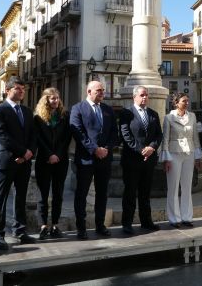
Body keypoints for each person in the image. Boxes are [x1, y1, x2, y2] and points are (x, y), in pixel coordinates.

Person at [0, 76, 37, 250]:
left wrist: (28, 154)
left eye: (23, 89)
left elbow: (33, 135)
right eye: (17, 88)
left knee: (21, 198)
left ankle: (20, 230)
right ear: (8, 90)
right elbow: (1, 136)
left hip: (23, 162)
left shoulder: (26, 111)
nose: (21, 91)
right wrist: (22, 152)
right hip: (5, 162)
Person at [70, 81, 118, 240]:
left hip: (104, 159)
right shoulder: (78, 108)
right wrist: (94, 149)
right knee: (81, 194)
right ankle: (81, 228)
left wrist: (106, 149)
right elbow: (78, 132)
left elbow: (113, 133)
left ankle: (100, 225)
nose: (102, 93)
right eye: (99, 90)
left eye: (103, 90)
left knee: (102, 193)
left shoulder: (108, 109)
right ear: (89, 91)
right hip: (86, 159)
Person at [119, 85, 163, 235]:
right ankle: (127, 223)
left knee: (145, 193)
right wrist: (141, 150)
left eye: (146, 95)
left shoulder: (153, 114)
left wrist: (152, 147)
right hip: (132, 160)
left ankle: (146, 221)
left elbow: (159, 135)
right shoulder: (126, 113)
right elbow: (126, 135)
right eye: (142, 95)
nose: (145, 97)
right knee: (130, 193)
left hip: (148, 160)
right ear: (134, 97)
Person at [34, 88, 72, 239]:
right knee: (43, 195)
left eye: (57, 98)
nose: (55, 101)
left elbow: (67, 138)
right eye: (52, 98)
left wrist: (58, 154)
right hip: (44, 160)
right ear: (46, 100)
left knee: (58, 194)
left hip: (61, 160)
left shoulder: (65, 116)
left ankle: (55, 225)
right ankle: (43, 225)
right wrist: (49, 154)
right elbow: (38, 139)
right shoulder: (38, 118)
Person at [160, 93, 202, 228]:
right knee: (172, 188)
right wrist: (165, 159)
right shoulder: (169, 117)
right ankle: (174, 218)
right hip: (174, 154)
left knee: (187, 187)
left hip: (189, 153)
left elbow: (195, 137)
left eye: (188, 101)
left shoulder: (192, 116)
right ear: (176, 103)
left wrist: (197, 156)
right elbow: (165, 138)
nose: (187, 103)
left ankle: (187, 217)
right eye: (184, 101)